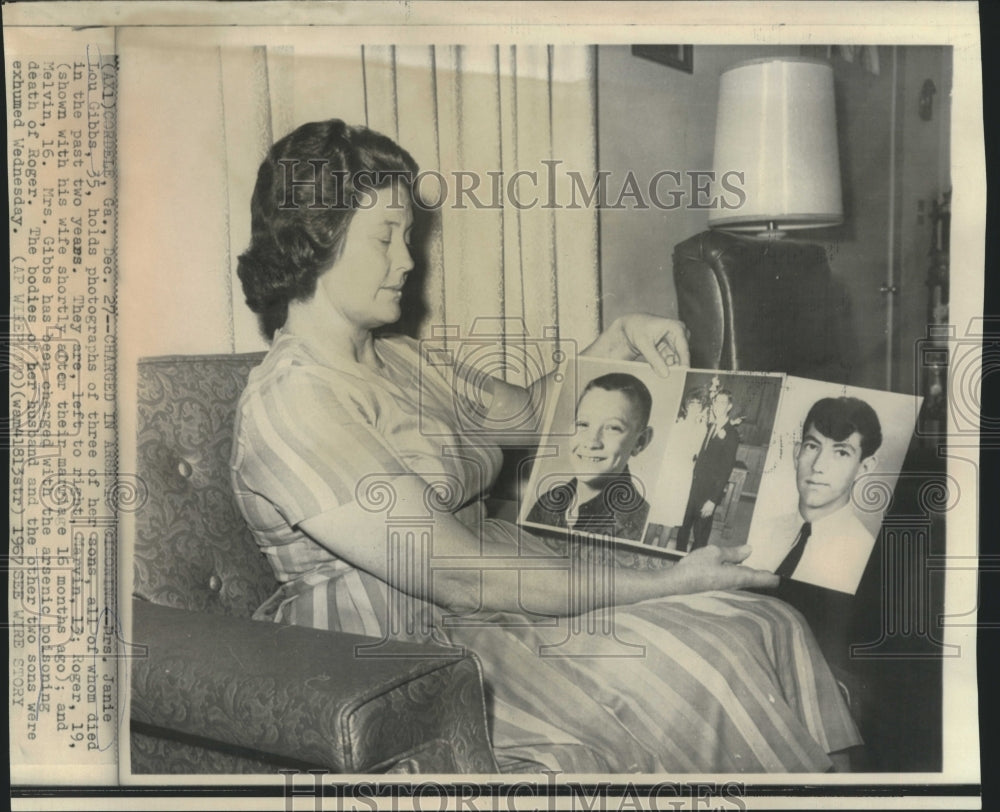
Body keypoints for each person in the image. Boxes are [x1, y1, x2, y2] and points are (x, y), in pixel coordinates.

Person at [230, 119, 860, 773]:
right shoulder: (291, 400)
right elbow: (458, 571)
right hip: (395, 652)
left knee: (765, 623)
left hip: (494, 594)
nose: (409, 260)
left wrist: (615, 342)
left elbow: (530, 413)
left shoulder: (402, 358)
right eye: (385, 238)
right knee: (704, 668)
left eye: (409, 237)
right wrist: (663, 582)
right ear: (317, 238)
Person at [766, 397, 883, 594]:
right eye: (812, 446)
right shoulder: (761, 533)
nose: (818, 466)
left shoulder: (866, 558)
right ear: (797, 454)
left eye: (841, 453)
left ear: (864, 467)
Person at [525, 373, 653, 540]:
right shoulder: (547, 504)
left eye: (613, 428)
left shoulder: (638, 524)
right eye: (583, 424)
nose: (591, 442)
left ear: (640, 442)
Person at [675, 390, 740, 552]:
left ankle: (694, 568)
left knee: (700, 535)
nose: (718, 405)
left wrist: (713, 500)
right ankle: (676, 558)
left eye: (723, 402)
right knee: (683, 529)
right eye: (716, 401)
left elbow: (726, 470)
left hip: (708, 493)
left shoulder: (732, 434)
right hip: (692, 487)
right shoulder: (709, 426)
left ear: (729, 406)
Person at [656, 386, 709, 531]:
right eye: (692, 404)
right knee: (656, 513)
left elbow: (696, 451)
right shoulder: (677, 423)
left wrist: (700, 425)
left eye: (699, 405)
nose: (695, 407)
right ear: (686, 406)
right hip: (668, 470)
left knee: (671, 517)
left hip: (684, 473)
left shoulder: (702, 428)